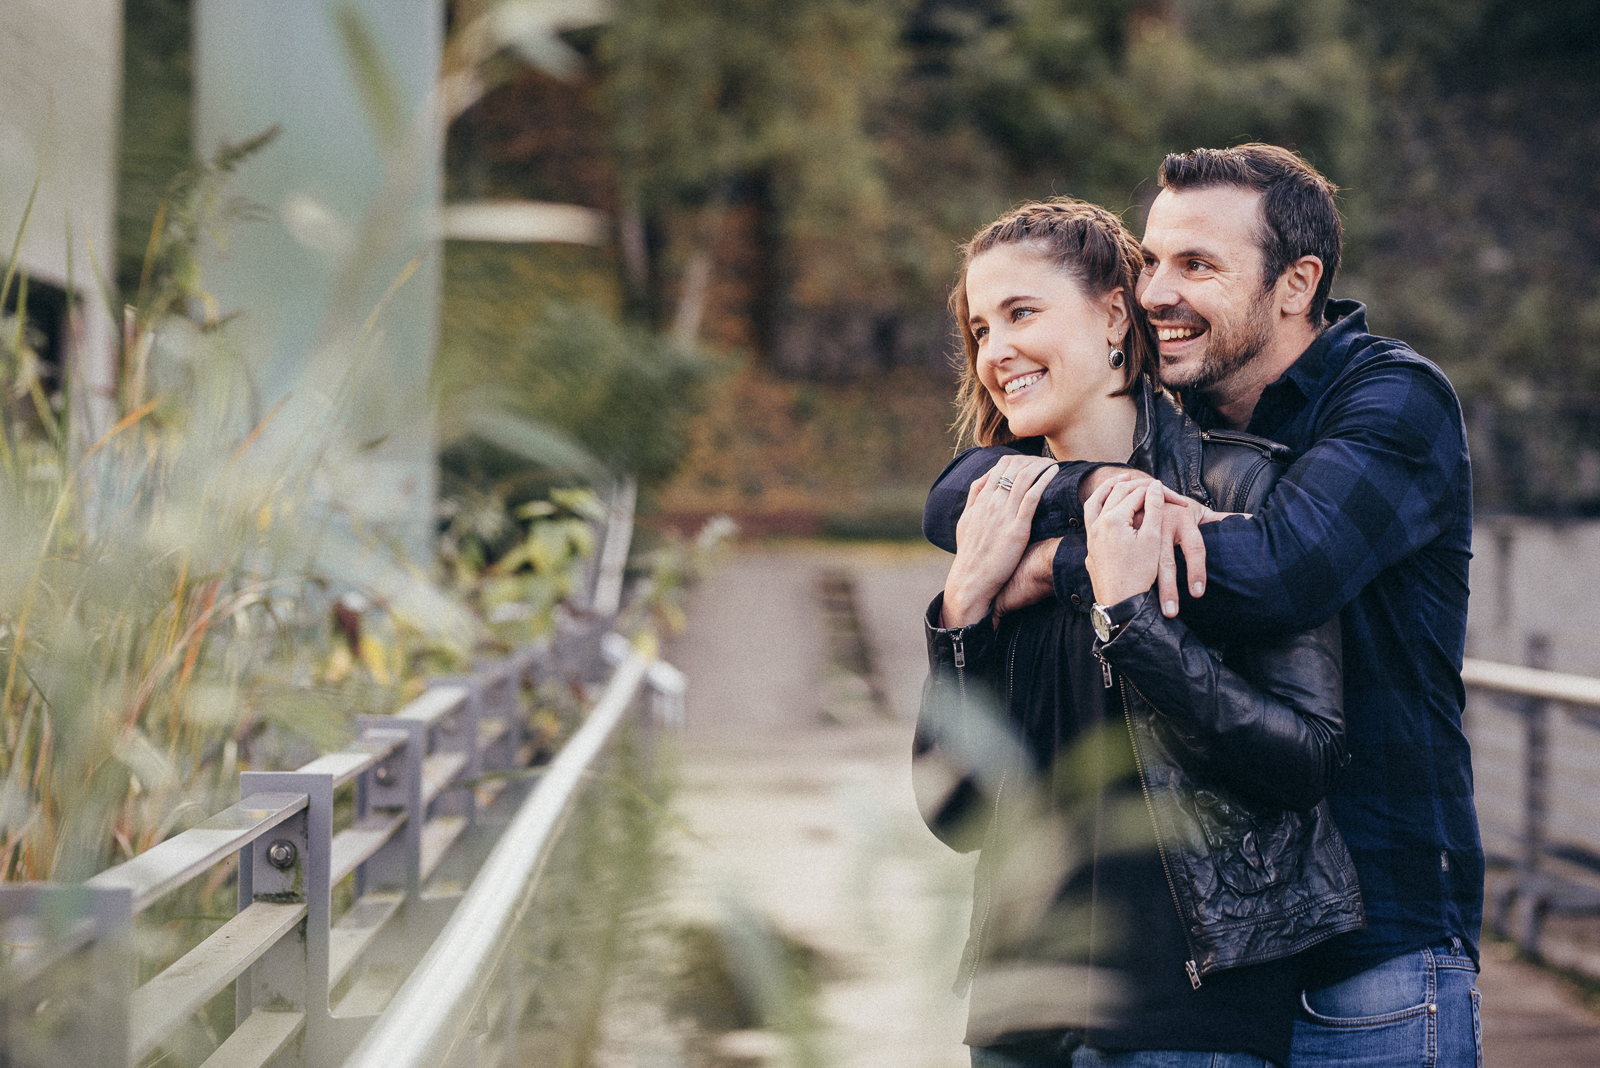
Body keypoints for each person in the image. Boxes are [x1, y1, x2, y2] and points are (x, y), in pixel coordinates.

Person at [924, 146, 1480, 1067]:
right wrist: (1105, 500)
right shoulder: (1175, 437)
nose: (1154, 292)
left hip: (1378, 934)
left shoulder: (1389, 400)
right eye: (1149, 262)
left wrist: (1056, 564)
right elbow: (957, 492)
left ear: (1297, 283)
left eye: (1197, 266)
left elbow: (1277, 570)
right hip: (1218, 951)